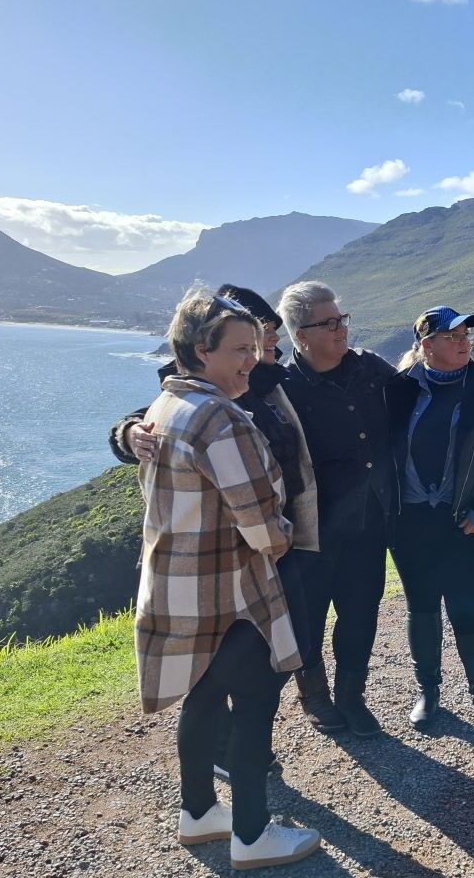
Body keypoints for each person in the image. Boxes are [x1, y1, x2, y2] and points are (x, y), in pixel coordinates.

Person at [135, 288, 320, 869]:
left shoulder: (167, 406)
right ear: (199, 349)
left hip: (179, 587)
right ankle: (252, 834)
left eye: (257, 346)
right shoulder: (220, 418)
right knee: (258, 698)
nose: (253, 359)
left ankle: (198, 815)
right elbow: (261, 522)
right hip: (231, 592)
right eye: (240, 349)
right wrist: (287, 537)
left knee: (206, 695)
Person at [384, 306, 474, 741]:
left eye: (466, 334)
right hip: (408, 522)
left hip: (462, 522)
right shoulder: (398, 390)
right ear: (427, 345)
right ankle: (428, 694)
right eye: (451, 336)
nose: (463, 342)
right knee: (422, 606)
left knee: (467, 609)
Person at [277, 281, 396, 738]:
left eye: (340, 319)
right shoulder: (279, 386)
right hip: (310, 533)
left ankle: (352, 697)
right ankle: (315, 698)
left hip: (369, 524)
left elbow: (418, 394)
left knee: (361, 613)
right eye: (328, 323)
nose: (340, 329)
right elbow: (199, 397)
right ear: (300, 334)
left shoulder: (370, 369)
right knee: (307, 620)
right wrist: (132, 431)